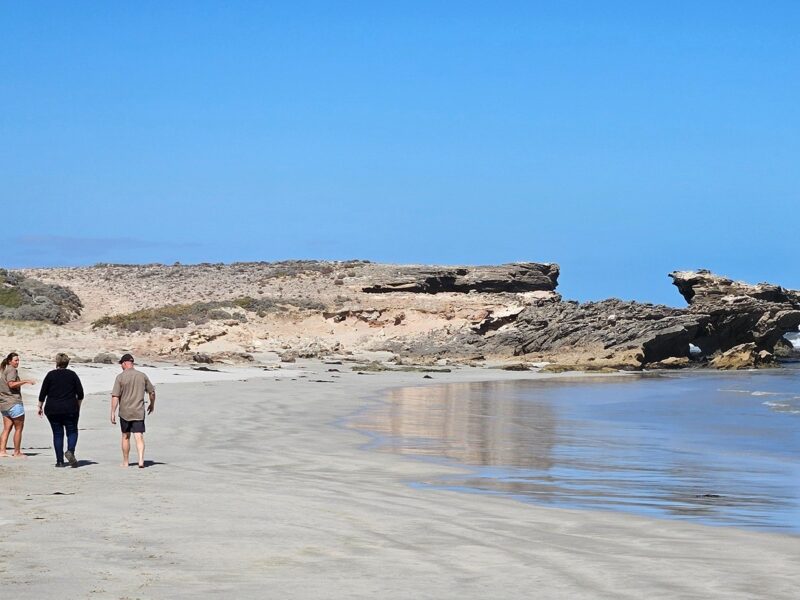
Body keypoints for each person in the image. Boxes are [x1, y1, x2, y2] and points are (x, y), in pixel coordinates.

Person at [38, 353, 85, 467]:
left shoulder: (50, 375)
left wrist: (39, 406)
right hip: (70, 408)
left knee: (57, 434)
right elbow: (80, 393)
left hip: (52, 408)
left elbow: (43, 392)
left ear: (57, 362)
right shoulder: (72, 375)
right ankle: (70, 452)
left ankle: (59, 461)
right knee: (72, 431)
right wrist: (78, 405)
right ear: (67, 363)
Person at [110, 353, 155, 468]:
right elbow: (152, 392)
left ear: (124, 363)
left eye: (121, 364)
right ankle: (140, 460)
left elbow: (115, 396)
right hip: (138, 411)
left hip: (125, 411)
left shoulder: (120, 377)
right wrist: (152, 404)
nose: (121, 366)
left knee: (125, 436)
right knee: (138, 436)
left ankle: (126, 462)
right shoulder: (142, 376)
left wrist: (112, 412)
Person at [0, 352, 36, 458]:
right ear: (10, 361)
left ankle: (2, 451)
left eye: (18, 360)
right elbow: (11, 384)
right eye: (16, 360)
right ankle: (17, 452)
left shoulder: (2, 370)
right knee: (19, 428)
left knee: (7, 428)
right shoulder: (11, 369)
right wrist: (25, 381)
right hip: (13, 402)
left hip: (3, 403)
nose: (17, 362)